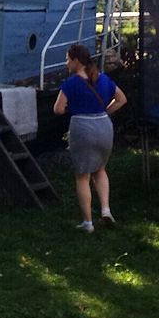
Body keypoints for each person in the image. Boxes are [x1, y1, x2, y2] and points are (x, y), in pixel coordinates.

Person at [53, 43, 127, 234]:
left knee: (82, 175)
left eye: (68, 59)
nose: (66, 63)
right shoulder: (103, 79)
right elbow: (121, 99)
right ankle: (106, 210)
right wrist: (105, 112)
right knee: (100, 169)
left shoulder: (71, 83)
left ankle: (88, 223)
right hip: (104, 126)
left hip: (82, 128)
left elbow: (58, 109)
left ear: (76, 60)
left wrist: (74, 107)